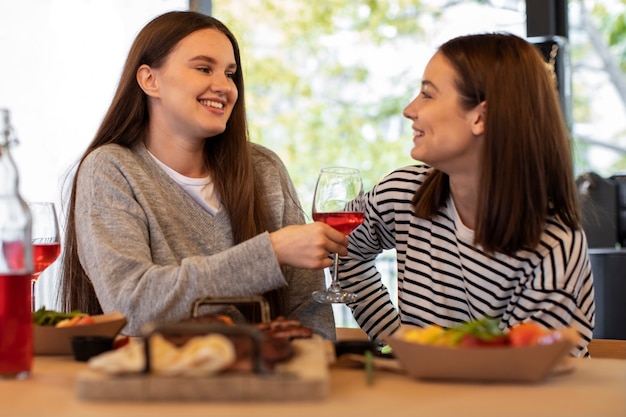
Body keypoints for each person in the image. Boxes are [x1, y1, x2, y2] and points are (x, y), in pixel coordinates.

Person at [58, 11, 347, 339]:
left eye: (230, 73)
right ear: (150, 80)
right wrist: (270, 252)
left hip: (266, 383)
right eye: (203, 68)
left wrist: (309, 376)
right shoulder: (111, 171)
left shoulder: (264, 169)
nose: (225, 86)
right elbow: (131, 307)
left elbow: (309, 310)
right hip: (159, 387)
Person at [338, 32, 595, 356]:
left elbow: (525, 382)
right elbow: (340, 249)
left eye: (427, 95)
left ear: (480, 117)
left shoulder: (555, 246)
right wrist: (397, 342)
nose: (409, 109)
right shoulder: (401, 194)